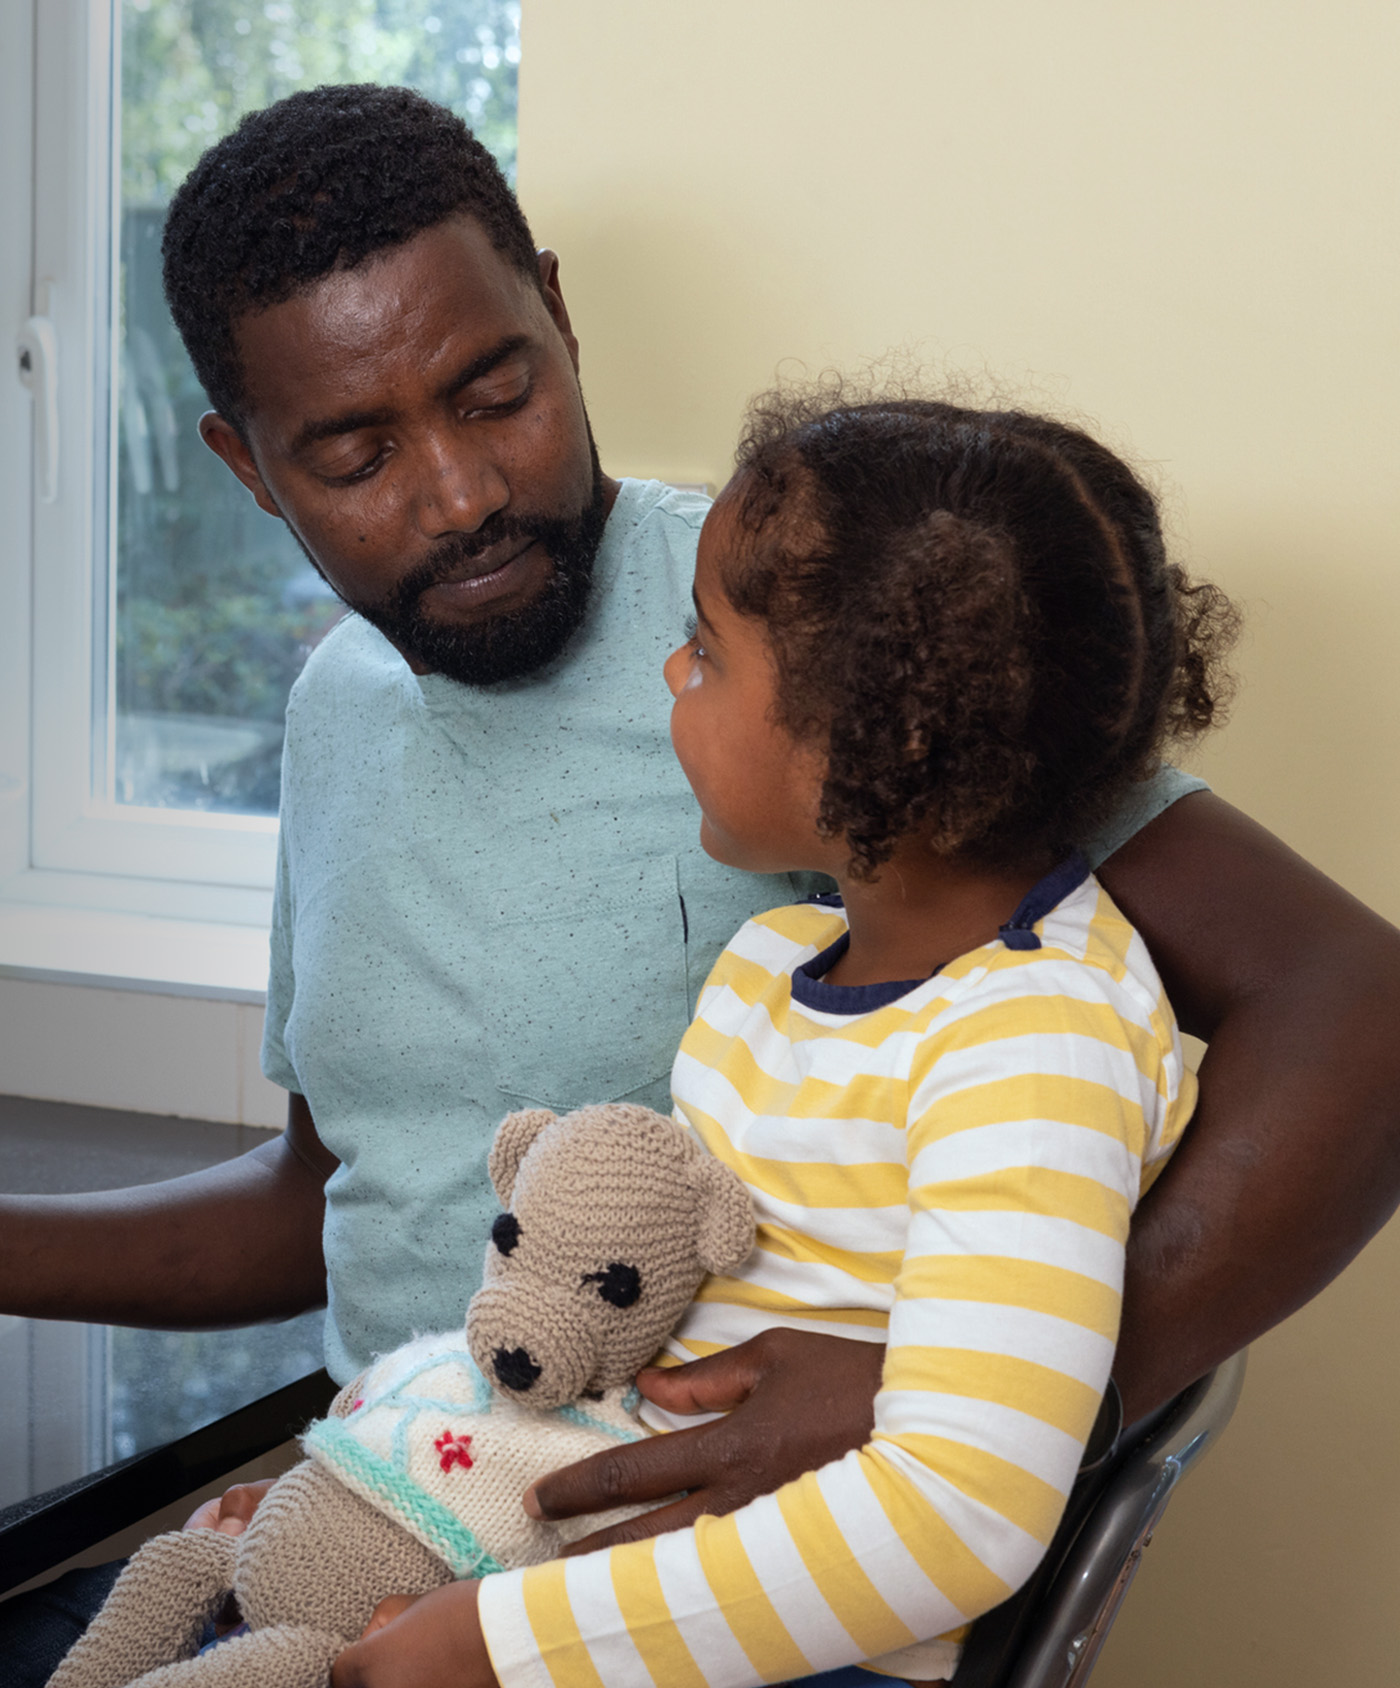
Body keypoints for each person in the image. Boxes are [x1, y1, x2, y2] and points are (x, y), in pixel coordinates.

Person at [0, 84, 1400, 1677]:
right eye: (355, 454)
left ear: (561, 316)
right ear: (246, 466)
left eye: (497, 391)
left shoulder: (817, 631)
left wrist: (966, 1399)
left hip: (616, 1585)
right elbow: (349, 1187)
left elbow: (1362, 1005)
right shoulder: (339, 711)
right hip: (395, 1489)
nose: (463, 491)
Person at [327, 391, 1227, 1688]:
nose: (670, 673)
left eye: (707, 650)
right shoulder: (774, 971)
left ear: (876, 740)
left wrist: (493, 1642)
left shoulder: (1035, 1040)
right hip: (632, 1576)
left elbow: (956, 1519)